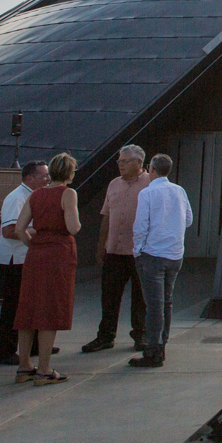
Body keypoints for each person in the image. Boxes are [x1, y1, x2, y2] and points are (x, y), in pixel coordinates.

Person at [14, 151, 81, 385]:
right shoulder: (68, 194)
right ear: (70, 173)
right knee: (49, 311)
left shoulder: (36, 195)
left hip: (36, 254)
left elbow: (19, 228)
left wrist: (34, 245)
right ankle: (44, 369)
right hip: (58, 254)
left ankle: (24, 366)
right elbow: (72, 227)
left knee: (29, 308)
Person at [82, 145, 150, 354]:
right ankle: (105, 336)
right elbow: (107, 217)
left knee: (141, 297)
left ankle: (141, 335)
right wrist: (102, 245)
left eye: (125, 161)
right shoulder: (113, 184)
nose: (120, 165)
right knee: (109, 295)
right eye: (119, 161)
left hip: (140, 251)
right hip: (114, 250)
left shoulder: (151, 184)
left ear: (139, 163)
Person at [128, 153, 192, 368]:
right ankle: (161, 345)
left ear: (151, 169)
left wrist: (137, 251)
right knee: (166, 302)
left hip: (153, 254)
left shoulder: (147, 193)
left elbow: (140, 226)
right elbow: (189, 220)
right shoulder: (179, 191)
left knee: (153, 306)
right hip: (175, 254)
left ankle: (153, 350)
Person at [0, 159, 49, 366]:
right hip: (14, 261)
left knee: (32, 303)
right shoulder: (16, 198)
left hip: (28, 258)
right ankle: (5, 351)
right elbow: (9, 230)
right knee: (13, 307)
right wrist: (41, 230)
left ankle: (35, 344)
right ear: (29, 177)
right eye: (43, 175)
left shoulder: (34, 196)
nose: (47, 179)